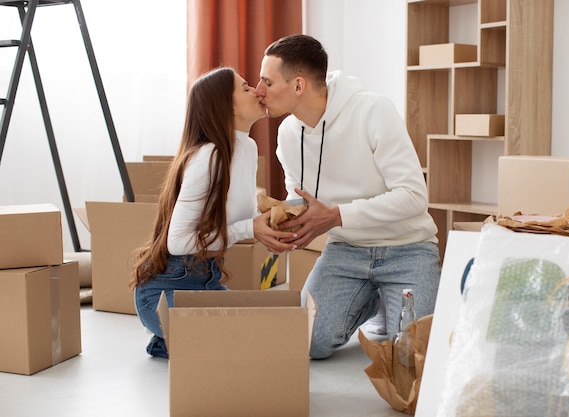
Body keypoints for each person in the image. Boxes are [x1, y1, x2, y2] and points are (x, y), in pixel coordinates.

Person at [256, 34, 441, 359]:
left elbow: (414, 197)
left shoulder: (373, 110)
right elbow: (301, 197)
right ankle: (370, 298)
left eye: (267, 82)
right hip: (346, 252)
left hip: (407, 250)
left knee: (410, 360)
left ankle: (387, 297)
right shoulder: (287, 134)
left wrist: (337, 215)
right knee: (307, 343)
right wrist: (282, 224)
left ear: (298, 86)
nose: (259, 91)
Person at [131, 67, 296, 358]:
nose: (257, 90)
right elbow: (177, 243)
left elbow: (239, 217)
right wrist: (251, 229)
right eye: (245, 88)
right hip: (165, 291)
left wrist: (277, 218)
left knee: (270, 332)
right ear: (226, 105)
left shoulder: (245, 148)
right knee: (243, 347)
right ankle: (172, 333)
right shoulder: (209, 156)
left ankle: (170, 341)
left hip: (207, 283)